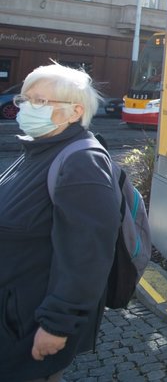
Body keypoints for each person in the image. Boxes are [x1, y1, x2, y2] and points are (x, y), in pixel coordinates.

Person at [0, 63, 120, 382]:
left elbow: (88, 256)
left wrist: (56, 324)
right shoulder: (39, 148)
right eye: (24, 100)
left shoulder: (82, 163)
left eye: (39, 101)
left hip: (27, 327)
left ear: (73, 111)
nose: (27, 108)